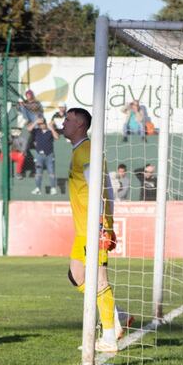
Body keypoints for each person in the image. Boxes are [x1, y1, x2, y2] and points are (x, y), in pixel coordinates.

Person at [61, 107, 129, 351]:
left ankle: (110, 336)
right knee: (76, 275)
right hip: (84, 230)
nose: (63, 123)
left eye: (68, 120)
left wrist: (102, 225)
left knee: (99, 280)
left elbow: (100, 189)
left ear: (80, 124)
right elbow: (108, 187)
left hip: (93, 228)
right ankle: (119, 314)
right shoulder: (80, 151)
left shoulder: (87, 151)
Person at [31, 110, 59, 195]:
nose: (41, 125)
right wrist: (36, 121)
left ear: (45, 124)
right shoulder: (37, 131)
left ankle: (53, 188)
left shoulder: (50, 131)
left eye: (43, 124)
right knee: (38, 173)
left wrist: (52, 129)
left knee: (51, 172)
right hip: (39, 155)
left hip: (49, 155)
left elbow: (57, 137)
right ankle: (38, 188)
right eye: (40, 124)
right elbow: (29, 128)